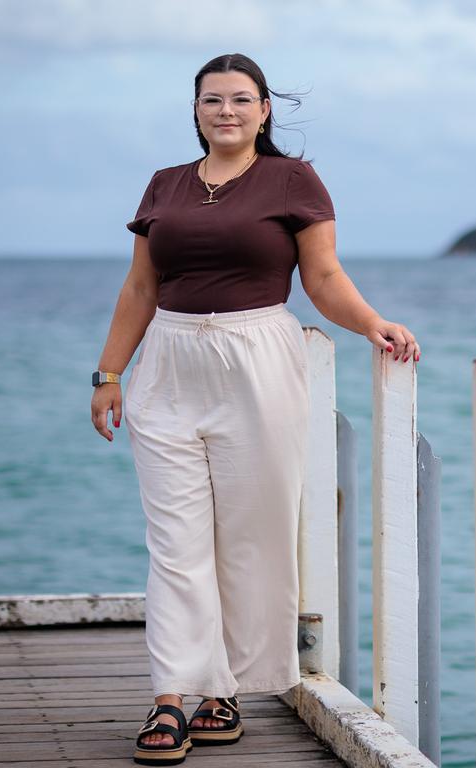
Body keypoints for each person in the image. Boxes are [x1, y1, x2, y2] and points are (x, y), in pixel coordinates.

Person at [90, 53, 420, 766]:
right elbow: (140, 288)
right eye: (214, 100)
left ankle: (226, 690)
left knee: (251, 536)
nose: (228, 111)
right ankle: (172, 697)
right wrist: (109, 371)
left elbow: (322, 276)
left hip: (257, 357)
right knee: (175, 541)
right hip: (169, 364)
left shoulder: (292, 180)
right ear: (196, 110)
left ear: (266, 109)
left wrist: (370, 323)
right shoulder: (165, 185)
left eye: (242, 99)